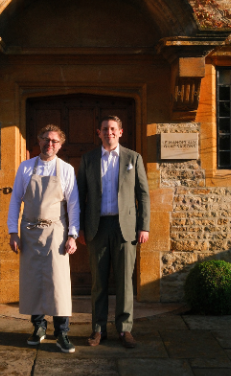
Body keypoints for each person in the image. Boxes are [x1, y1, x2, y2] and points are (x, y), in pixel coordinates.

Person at [76, 115, 150, 348]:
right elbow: (79, 196)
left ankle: (124, 329)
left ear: (120, 132)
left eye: (112, 129)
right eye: (104, 129)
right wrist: (77, 229)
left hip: (125, 228)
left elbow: (143, 194)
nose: (109, 132)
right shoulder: (88, 159)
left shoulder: (133, 158)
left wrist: (144, 226)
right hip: (97, 228)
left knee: (125, 282)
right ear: (98, 133)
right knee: (98, 282)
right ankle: (98, 330)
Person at [8, 124, 80, 353]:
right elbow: (15, 200)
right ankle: (38, 327)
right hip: (29, 232)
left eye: (55, 141)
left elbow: (73, 204)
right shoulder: (26, 167)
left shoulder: (66, 169)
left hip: (56, 232)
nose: (50, 144)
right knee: (33, 281)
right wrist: (13, 232)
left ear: (61, 144)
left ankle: (62, 332)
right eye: (46, 140)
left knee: (58, 283)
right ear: (39, 141)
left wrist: (73, 235)